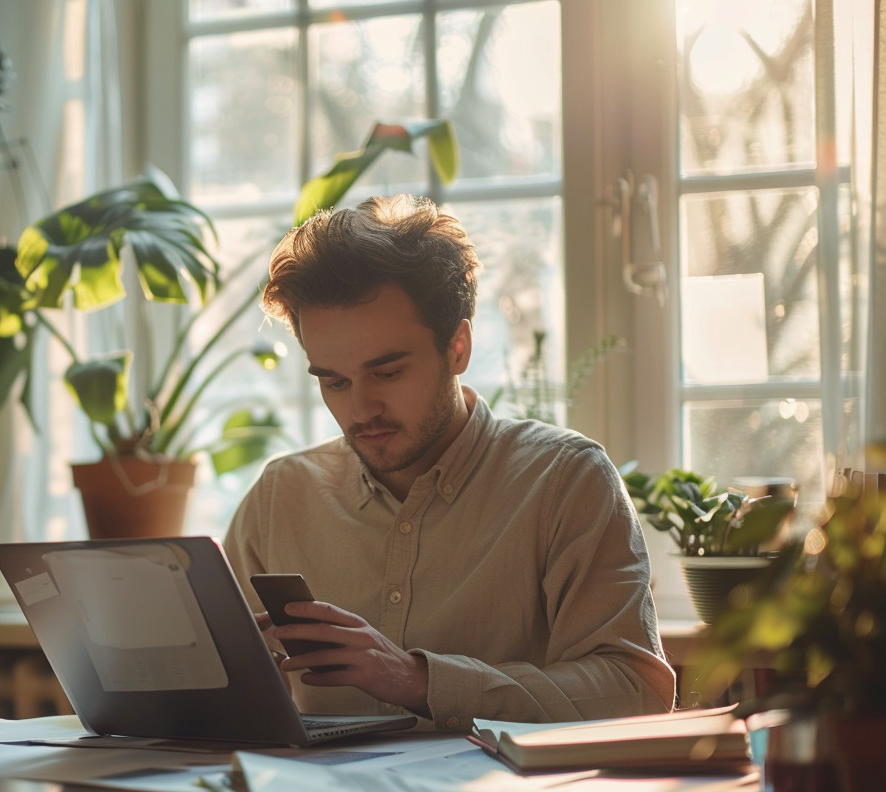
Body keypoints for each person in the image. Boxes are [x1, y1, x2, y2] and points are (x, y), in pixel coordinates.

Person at [223, 194, 676, 731]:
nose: (360, 409)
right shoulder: (281, 495)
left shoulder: (564, 481)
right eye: (334, 381)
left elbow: (634, 690)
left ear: (457, 346)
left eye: (388, 373)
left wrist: (418, 680)